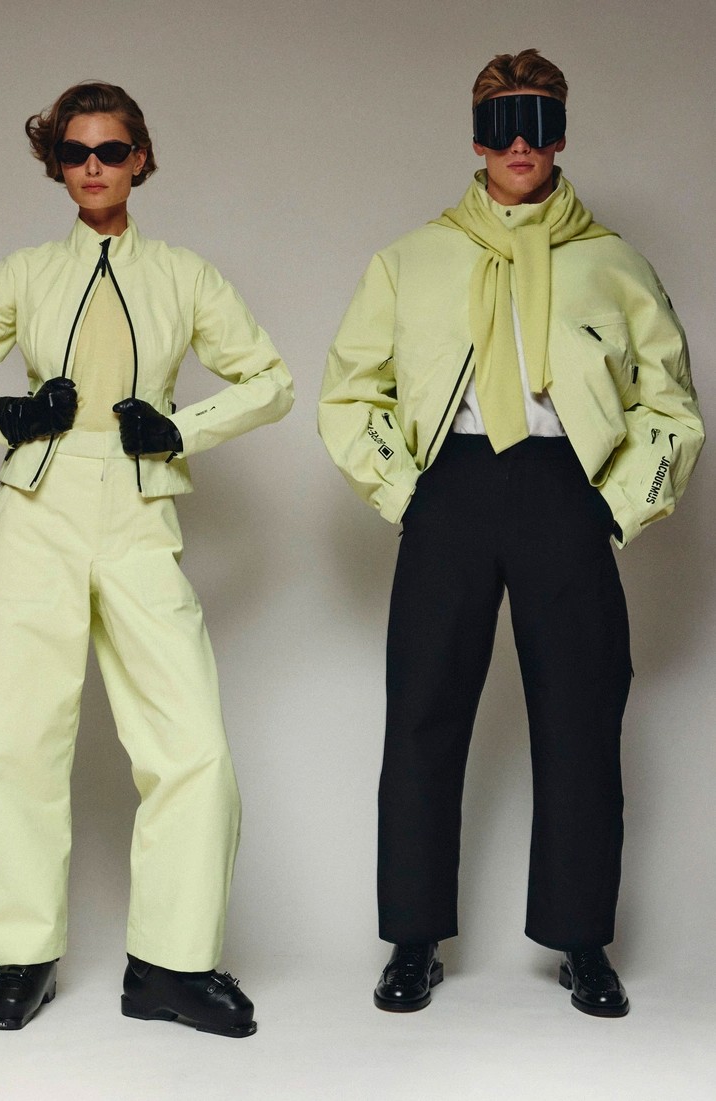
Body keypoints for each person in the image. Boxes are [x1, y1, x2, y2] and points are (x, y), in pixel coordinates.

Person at [318, 49, 703, 1018]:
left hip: (564, 489)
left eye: (536, 121)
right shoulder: (409, 260)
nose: (519, 143)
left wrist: (615, 505)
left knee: (580, 717)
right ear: (476, 135)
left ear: (561, 132)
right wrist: (406, 495)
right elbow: (349, 391)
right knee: (422, 715)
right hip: (448, 486)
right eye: (500, 123)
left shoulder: (614, 264)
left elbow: (669, 404)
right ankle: (413, 939)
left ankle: (582, 941)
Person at [0, 81, 293, 1037]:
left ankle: (171, 963)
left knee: (191, 741)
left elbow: (270, 380)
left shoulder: (185, 276)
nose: (93, 167)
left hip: (138, 508)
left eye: (111, 150)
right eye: (75, 152)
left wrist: (180, 427)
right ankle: (21, 953)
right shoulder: (24, 274)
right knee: (14, 734)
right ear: (57, 164)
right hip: (33, 511)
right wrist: (8, 412)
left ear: (140, 159)